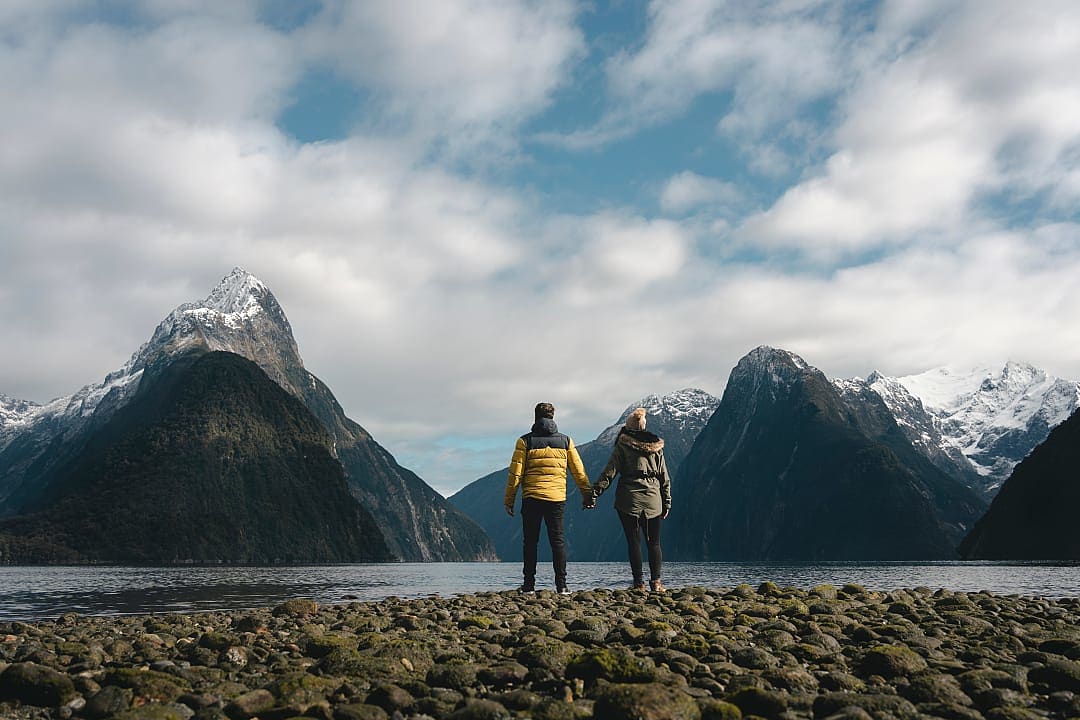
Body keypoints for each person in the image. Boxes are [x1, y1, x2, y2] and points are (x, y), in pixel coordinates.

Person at [504, 402, 592, 594]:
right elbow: (579, 472)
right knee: (558, 541)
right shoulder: (566, 441)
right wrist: (587, 495)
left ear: (535, 417)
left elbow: (515, 475)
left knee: (530, 542)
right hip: (556, 498)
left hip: (532, 497)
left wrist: (509, 500)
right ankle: (562, 586)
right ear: (553, 417)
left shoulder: (524, 441)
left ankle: (528, 586)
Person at [593, 407, 671, 593]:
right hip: (653, 499)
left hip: (629, 499)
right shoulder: (656, 448)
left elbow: (609, 473)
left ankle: (638, 583)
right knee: (654, 542)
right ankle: (656, 583)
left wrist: (594, 493)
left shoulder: (622, 446)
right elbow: (664, 476)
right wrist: (667, 501)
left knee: (633, 541)